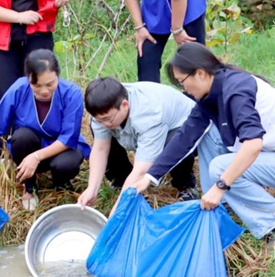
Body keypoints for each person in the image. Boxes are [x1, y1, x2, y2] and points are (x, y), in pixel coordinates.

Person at [132, 43, 275, 242]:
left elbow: (253, 145)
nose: (184, 89)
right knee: (206, 133)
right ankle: (216, 208)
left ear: (200, 73)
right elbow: (185, 136)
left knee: (220, 168)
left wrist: (221, 185)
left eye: (182, 82)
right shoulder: (212, 92)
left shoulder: (236, 91)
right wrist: (151, 176)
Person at [0, 50, 90, 210]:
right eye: (36, 85)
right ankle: (29, 188)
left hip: (61, 149)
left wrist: (36, 157)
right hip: (30, 147)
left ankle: (61, 184)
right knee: (22, 137)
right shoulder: (19, 89)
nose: (44, 91)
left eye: (50, 84)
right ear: (28, 79)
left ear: (58, 75)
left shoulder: (71, 93)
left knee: (66, 164)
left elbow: (68, 137)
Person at [77, 77, 200, 208]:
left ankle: (185, 186)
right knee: (104, 133)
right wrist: (92, 188)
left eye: (107, 119)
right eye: (99, 120)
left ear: (124, 105)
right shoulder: (104, 109)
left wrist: (117, 210)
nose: (103, 124)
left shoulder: (149, 114)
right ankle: (122, 181)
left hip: (187, 127)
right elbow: (100, 149)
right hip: (145, 128)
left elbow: (141, 170)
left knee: (175, 144)